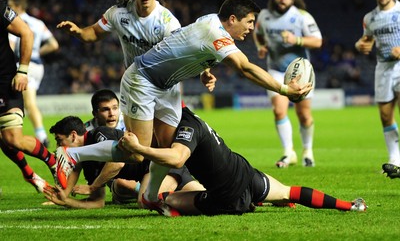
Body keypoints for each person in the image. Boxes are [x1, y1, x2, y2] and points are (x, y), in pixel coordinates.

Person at [55, 0, 312, 213]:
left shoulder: (208, 20)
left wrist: (203, 69)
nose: (251, 28)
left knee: (166, 146)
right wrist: (285, 89)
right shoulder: (215, 33)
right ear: (232, 19)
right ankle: (73, 154)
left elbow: (188, 45)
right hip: (142, 79)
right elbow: (244, 68)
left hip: (166, 86)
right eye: (249, 22)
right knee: (136, 150)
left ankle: (149, 196)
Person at [54, 105, 367, 216]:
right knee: (289, 191)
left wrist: (141, 147)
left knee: (162, 201)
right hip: (244, 172)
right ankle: (349, 205)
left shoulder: (186, 130)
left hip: (224, 198)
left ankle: (174, 206)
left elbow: (176, 156)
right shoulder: (189, 118)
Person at [45, 115, 204, 209]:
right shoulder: (87, 162)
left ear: (73, 135)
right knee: (209, 197)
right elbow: (98, 202)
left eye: (60, 141)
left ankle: (168, 194)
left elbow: (117, 163)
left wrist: (93, 186)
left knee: (144, 201)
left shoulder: (99, 134)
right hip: (152, 174)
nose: (59, 147)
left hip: (160, 166)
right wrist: (66, 200)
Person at [253, 0, 322, 168]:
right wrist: (261, 46)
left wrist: (296, 39)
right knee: (279, 110)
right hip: (275, 69)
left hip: (301, 73)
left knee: (304, 115)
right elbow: (257, 33)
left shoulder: (301, 16)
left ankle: (307, 151)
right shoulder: (265, 16)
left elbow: (317, 41)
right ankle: (288, 152)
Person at [0, 0, 56, 193]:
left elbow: (26, 33)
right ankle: (30, 174)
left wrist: (22, 70)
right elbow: (53, 43)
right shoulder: (39, 23)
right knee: (5, 137)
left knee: (13, 138)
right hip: (34, 64)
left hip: (5, 79)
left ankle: (53, 160)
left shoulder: (2, 9)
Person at [354, 0, 400, 177]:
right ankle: (394, 158)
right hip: (383, 69)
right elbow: (365, 40)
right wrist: (360, 45)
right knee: (385, 115)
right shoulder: (369, 18)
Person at [8, 0, 60, 148]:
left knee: (29, 102)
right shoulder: (38, 22)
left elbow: (11, 46)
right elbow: (54, 44)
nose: (7, 8)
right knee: (27, 101)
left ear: (17, 6)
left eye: (10, 5)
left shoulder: (14, 21)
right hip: (38, 65)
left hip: (24, 65)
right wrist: (36, 52)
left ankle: (42, 136)